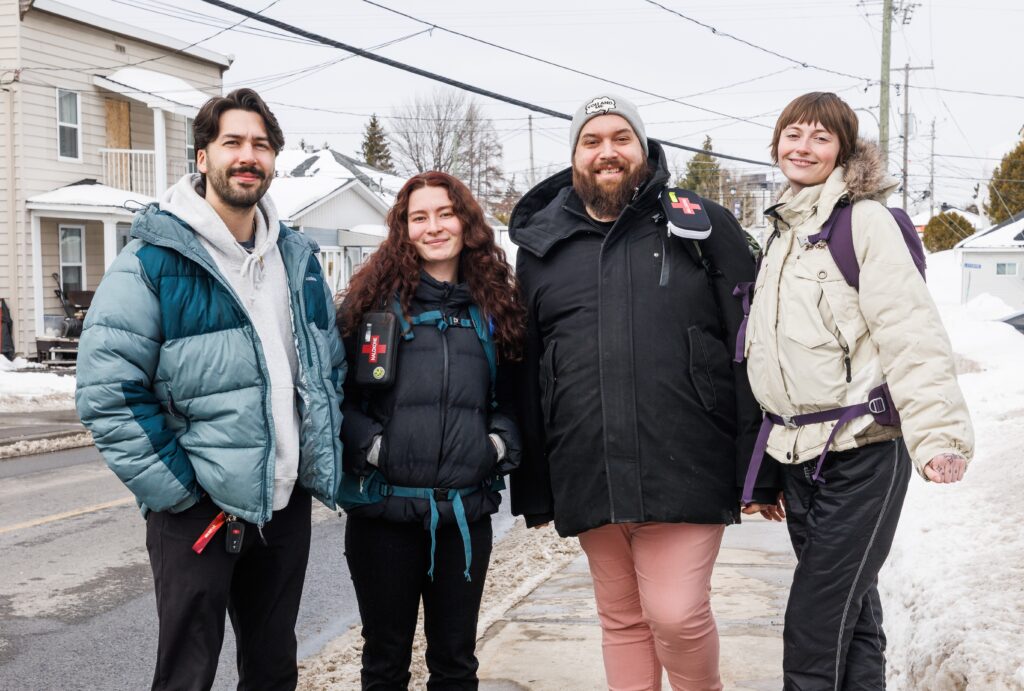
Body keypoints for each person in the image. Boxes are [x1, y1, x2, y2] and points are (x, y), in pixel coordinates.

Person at [75, 88, 345, 690]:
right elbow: (107, 392)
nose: (248, 156)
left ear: (273, 159)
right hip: (198, 512)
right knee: (187, 675)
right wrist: (182, 493)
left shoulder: (296, 259)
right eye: (233, 143)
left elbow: (328, 368)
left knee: (274, 670)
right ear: (202, 158)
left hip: (282, 503)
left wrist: (314, 462)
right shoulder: (153, 260)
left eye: (261, 145)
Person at [509, 94, 774, 691]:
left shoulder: (702, 224)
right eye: (592, 141)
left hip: (687, 460)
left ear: (644, 147)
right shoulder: (541, 249)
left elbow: (749, 345)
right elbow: (526, 367)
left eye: (620, 138)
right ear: (575, 156)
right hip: (588, 464)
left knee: (675, 614)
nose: (607, 151)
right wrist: (536, 483)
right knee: (622, 618)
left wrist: (758, 466)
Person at [740, 91, 974, 690]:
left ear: (843, 149)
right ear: (776, 144)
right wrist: (765, 468)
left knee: (813, 627)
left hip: (863, 450)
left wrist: (939, 436)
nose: (804, 146)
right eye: (793, 133)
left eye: (821, 136)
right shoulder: (782, 230)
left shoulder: (864, 221)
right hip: (800, 458)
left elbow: (910, 331)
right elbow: (768, 355)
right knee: (855, 615)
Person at [337, 171, 524, 690]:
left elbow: (512, 398)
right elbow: (338, 397)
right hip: (384, 514)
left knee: (456, 662)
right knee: (385, 661)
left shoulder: (495, 310)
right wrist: (372, 448)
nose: (434, 227)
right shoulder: (370, 306)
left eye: (445, 213)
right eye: (419, 217)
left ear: (466, 223)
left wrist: (496, 445)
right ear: (403, 228)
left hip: (464, 517)